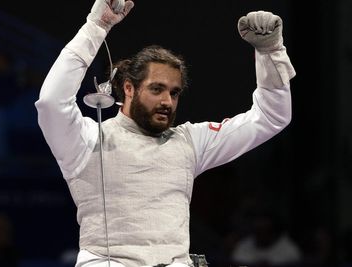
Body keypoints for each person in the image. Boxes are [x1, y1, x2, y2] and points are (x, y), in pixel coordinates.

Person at [35, 0, 296, 266]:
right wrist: (96, 27)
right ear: (128, 88)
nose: (167, 102)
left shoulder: (189, 142)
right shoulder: (87, 140)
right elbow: (51, 102)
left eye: (174, 93)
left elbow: (270, 117)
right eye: (156, 89)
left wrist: (270, 52)